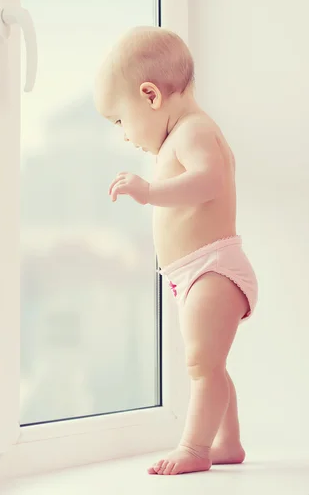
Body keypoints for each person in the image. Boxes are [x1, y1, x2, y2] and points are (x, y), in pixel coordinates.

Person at [94, 26, 258, 476]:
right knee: (212, 365)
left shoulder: (193, 131)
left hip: (213, 268)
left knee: (202, 365)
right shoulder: (180, 135)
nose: (125, 136)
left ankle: (194, 447)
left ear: (150, 96)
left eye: (121, 121)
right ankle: (228, 442)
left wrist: (150, 190)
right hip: (194, 272)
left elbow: (212, 181)